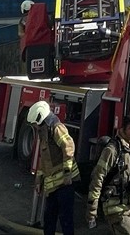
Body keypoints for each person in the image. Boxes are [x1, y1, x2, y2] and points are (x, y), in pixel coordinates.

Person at [86, 111, 130, 235]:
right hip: (115, 207)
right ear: (128, 128)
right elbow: (97, 178)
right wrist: (92, 208)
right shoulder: (112, 150)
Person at [28, 100, 77, 235]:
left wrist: (67, 173)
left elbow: (69, 147)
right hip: (53, 186)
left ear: (40, 119)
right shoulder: (44, 132)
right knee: (49, 219)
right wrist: (39, 181)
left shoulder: (56, 128)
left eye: (35, 124)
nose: (35, 127)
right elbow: (44, 160)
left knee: (65, 219)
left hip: (65, 184)